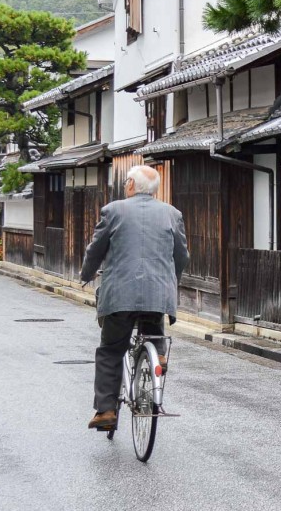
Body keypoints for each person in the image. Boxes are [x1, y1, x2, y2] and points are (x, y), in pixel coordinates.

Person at [80, 165, 189, 431]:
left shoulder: (114, 210)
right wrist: (170, 280)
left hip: (120, 294)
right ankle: (158, 356)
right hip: (158, 292)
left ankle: (106, 410)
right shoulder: (172, 214)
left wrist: (86, 274)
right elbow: (182, 256)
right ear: (155, 190)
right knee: (152, 328)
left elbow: (96, 250)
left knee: (110, 350)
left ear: (130, 184)